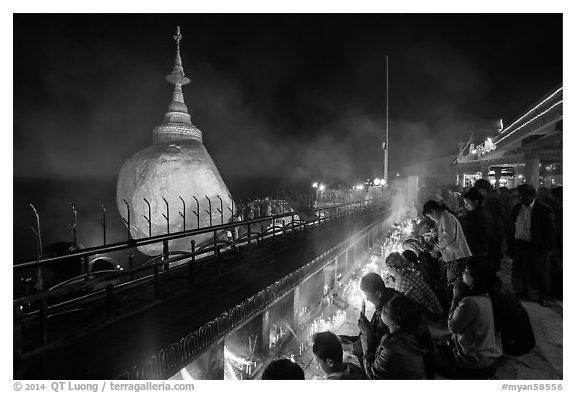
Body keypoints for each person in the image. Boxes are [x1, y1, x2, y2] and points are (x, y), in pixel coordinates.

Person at [434, 257, 502, 379]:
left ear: (474, 277)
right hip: (489, 358)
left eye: (466, 270)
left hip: (475, 363)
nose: (462, 273)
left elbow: (453, 327)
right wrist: (451, 283)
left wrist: (455, 298)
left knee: (428, 354)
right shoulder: (487, 295)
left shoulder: (470, 302)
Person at [359, 295, 435, 379]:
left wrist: (368, 336)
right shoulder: (414, 328)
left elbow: (373, 377)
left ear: (394, 323)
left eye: (385, 310)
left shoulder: (393, 348)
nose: (382, 308)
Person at [339, 272, 399, 367]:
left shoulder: (390, 312)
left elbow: (375, 343)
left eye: (367, 295)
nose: (366, 299)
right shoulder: (387, 297)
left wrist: (349, 347)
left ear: (378, 293)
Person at [510, 184, 555, 307]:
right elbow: (512, 226)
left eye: (521, 196)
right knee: (521, 269)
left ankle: (543, 295)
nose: (519, 198)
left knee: (540, 271)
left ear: (530, 195)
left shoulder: (543, 209)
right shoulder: (517, 208)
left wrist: (547, 248)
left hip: (536, 244)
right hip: (520, 243)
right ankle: (522, 291)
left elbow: (549, 230)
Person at [422, 200, 472, 314]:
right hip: (454, 255)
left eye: (430, 216)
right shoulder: (444, 217)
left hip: (457, 256)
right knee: (453, 283)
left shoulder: (446, 217)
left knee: (456, 284)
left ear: (433, 211)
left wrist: (436, 248)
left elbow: (449, 236)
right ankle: (455, 309)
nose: (431, 219)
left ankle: (457, 311)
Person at [385, 252, 443, 317]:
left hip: (433, 317)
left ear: (393, 268)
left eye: (388, 268)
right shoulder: (409, 273)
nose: (388, 272)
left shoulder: (400, 285)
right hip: (437, 309)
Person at [474, 179, 506, 271]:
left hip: (492, 239)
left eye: (483, 191)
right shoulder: (479, 203)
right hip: (483, 240)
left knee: (491, 265)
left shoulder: (492, 203)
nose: (481, 193)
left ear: (488, 191)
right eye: (479, 191)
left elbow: (497, 223)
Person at [461, 187, 493, 260]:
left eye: (468, 203)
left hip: (476, 249)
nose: (466, 206)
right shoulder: (481, 211)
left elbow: (469, 233)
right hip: (479, 248)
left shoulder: (477, 216)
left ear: (476, 202)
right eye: (465, 204)